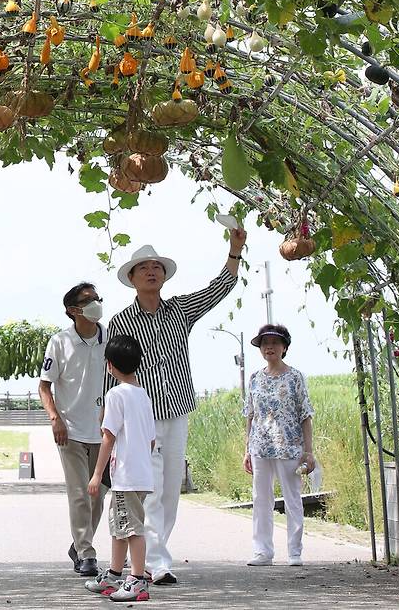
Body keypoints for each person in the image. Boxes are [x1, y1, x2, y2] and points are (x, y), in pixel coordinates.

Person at [104, 232, 247, 584]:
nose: (152, 271)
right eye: (144, 268)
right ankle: (157, 561)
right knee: (149, 486)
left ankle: (156, 555)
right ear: (132, 279)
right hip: (142, 416)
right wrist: (109, 425)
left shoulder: (181, 310)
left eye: (157, 267)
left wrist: (234, 250)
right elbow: (112, 371)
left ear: (164, 276)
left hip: (178, 409)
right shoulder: (120, 321)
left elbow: (219, 288)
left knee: (170, 491)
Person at [38, 282, 108, 577]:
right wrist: (55, 418)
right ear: (73, 310)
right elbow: (44, 386)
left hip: (105, 432)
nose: (95, 303)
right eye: (88, 299)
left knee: (98, 494)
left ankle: (79, 543)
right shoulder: (59, 342)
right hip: (70, 430)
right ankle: (86, 553)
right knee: (80, 493)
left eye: (97, 298)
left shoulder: (110, 338)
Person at [86, 334, 156, 602]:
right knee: (120, 526)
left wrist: (96, 474)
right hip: (140, 475)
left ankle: (137, 580)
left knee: (132, 529)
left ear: (109, 366)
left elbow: (108, 436)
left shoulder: (115, 395)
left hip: (126, 477)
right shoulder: (143, 396)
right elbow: (150, 440)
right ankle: (114, 574)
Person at [243, 323, 315, 567]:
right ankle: (263, 551)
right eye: (264, 343)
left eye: (274, 343)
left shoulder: (295, 377)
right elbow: (250, 415)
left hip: (289, 446)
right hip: (260, 446)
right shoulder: (254, 378)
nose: (269, 347)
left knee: (292, 499)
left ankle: (295, 552)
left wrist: (309, 452)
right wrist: (247, 449)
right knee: (261, 499)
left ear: (284, 347)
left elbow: (305, 414)